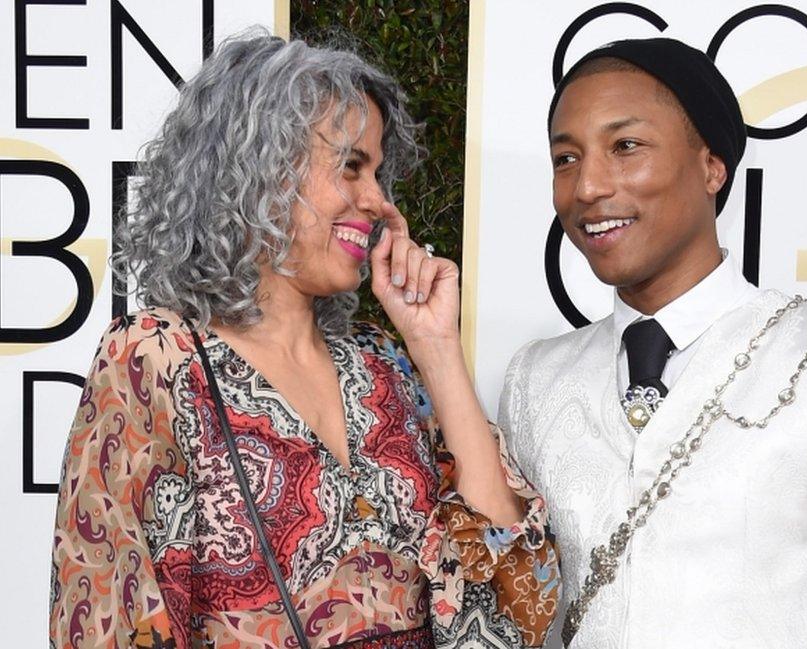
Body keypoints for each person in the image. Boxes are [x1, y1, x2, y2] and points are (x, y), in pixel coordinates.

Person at [49, 34, 558, 649]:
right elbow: (109, 613)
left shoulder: (384, 366)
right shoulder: (156, 358)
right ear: (258, 172)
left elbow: (515, 592)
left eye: (376, 171)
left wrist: (436, 346)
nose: (376, 200)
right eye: (350, 166)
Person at [498, 38, 807, 648]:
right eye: (566, 158)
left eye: (626, 146)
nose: (588, 186)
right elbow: (510, 601)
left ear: (712, 165)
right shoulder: (534, 378)